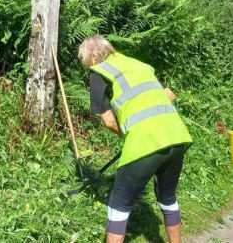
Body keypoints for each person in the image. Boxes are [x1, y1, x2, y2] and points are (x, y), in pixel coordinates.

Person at [78, 34, 193, 243]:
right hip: (176, 135)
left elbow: (109, 122)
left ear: (91, 58)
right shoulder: (138, 65)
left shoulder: (98, 71)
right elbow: (168, 95)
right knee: (168, 198)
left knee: (118, 204)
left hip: (145, 140)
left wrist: (130, 134)